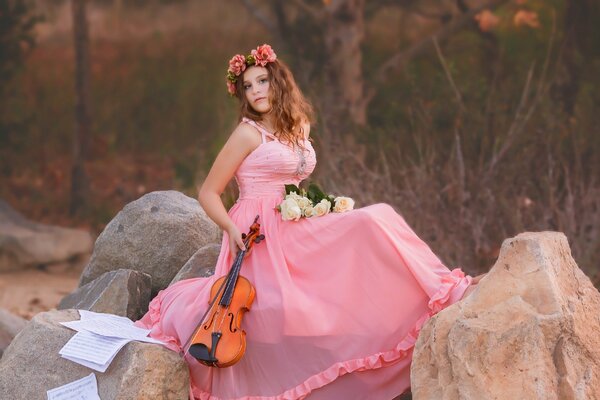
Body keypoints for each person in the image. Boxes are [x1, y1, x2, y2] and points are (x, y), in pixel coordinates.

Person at [135, 44, 476, 400]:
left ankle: (441, 289)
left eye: (262, 81)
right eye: (248, 87)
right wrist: (231, 229)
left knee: (378, 218)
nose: (256, 92)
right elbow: (208, 191)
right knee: (306, 288)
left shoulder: (299, 125)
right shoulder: (247, 133)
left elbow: (296, 183)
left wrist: (321, 208)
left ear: (279, 81)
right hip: (257, 228)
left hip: (294, 218)